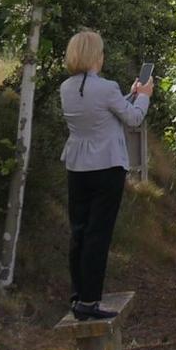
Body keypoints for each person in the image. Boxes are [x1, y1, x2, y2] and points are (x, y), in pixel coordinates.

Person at [57, 30, 152, 320]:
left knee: (79, 232)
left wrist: (130, 94)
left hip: (77, 166)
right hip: (107, 166)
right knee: (99, 234)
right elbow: (133, 118)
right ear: (95, 55)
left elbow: (101, 110)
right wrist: (144, 97)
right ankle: (90, 300)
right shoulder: (106, 87)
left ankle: (78, 297)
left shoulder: (67, 87)